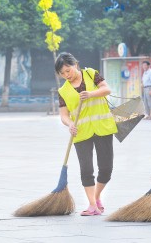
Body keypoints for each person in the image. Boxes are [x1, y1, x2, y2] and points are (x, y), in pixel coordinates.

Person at [55, 52, 117, 216]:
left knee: (106, 169)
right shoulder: (63, 91)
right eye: (62, 73)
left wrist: (91, 94)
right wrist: (69, 124)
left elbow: (106, 89)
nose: (66, 75)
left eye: (68, 70)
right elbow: (63, 115)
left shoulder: (91, 74)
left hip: (102, 127)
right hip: (81, 132)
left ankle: (96, 197)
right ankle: (91, 205)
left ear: (75, 64)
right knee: (86, 170)